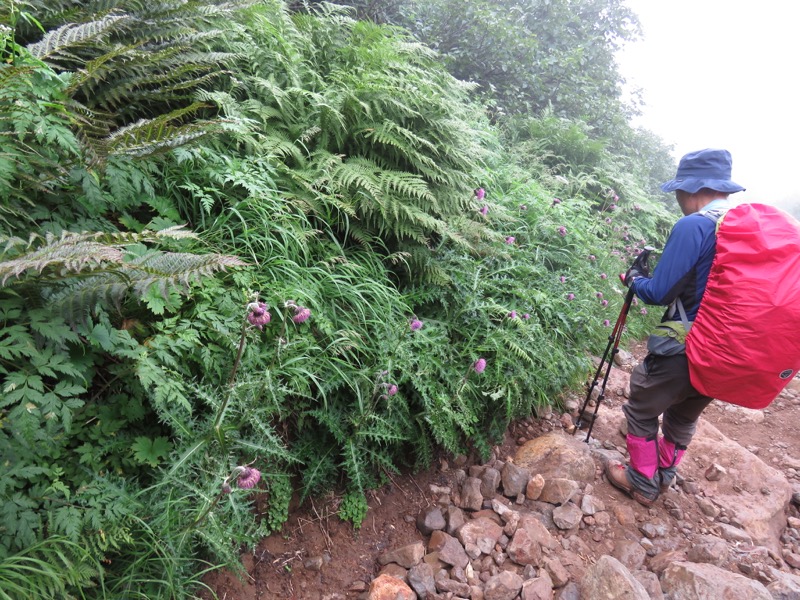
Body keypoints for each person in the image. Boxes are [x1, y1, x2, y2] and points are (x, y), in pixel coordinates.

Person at [606, 148, 746, 507]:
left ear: (693, 188)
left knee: (641, 404)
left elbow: (659, 292)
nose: (678, 200)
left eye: (679, 192)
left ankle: (641, 481)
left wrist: (633, 279)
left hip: (688, 343)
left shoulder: (695, 225)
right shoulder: (742, 229)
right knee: (684, 413)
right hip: (729, 349)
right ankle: (664, 473)